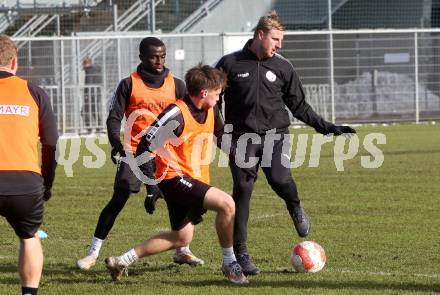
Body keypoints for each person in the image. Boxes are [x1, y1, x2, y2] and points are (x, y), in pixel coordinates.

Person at [215, 11, 356, 275]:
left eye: (281, 40)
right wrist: (221, 133)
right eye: (276, 39)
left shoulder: (283, 67)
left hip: (275, 136)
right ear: (260, 35)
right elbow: (212, 100)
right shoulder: (229, 64)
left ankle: (295, 206)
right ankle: (242, 255)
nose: (280, 45)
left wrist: (326, 127)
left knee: (280, 179)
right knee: (242, 190)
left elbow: (299, 105)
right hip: (241, 139)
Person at [104, 63, 248, 284]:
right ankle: (230, 263)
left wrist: (240, 158)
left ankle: (122, 260)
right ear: (204, 93)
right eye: (218, 94)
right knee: (227, 204)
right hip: (174, 178)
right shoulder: (176, 114)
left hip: (192, 177)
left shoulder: (211, 109)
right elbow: (144, 146)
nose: (219, 99)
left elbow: (220, 134)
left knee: (181, 237)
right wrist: (152, 186)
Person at [76, 37, 203, 270]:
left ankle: (183, 249)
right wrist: (117, 143)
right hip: (134, 151)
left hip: (166, 153)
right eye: (154, 56)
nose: (159, 60)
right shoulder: (128, 84)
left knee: (180, 197)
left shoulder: (176, 85)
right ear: (142, 57)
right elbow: (114, 117)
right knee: (120, 194)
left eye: (163, 56)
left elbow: (189, 113)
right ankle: (92, 252)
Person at [0, 35, 58, 295]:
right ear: (14, 62)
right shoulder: (34, 92)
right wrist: (46, 183)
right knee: (30, 236)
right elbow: (51, 144)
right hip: (25, 182)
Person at [82, 57, 103, 133]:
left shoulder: (89, 70)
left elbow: (89, 82)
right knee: (94, 110)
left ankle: (89, 128)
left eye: (84, 64)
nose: (83, 67)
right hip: (96, 93)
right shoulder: (96, 69)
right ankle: (98, 126)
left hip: (91, 94)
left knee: (84, 111)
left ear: (87, 64)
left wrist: (86, 94)